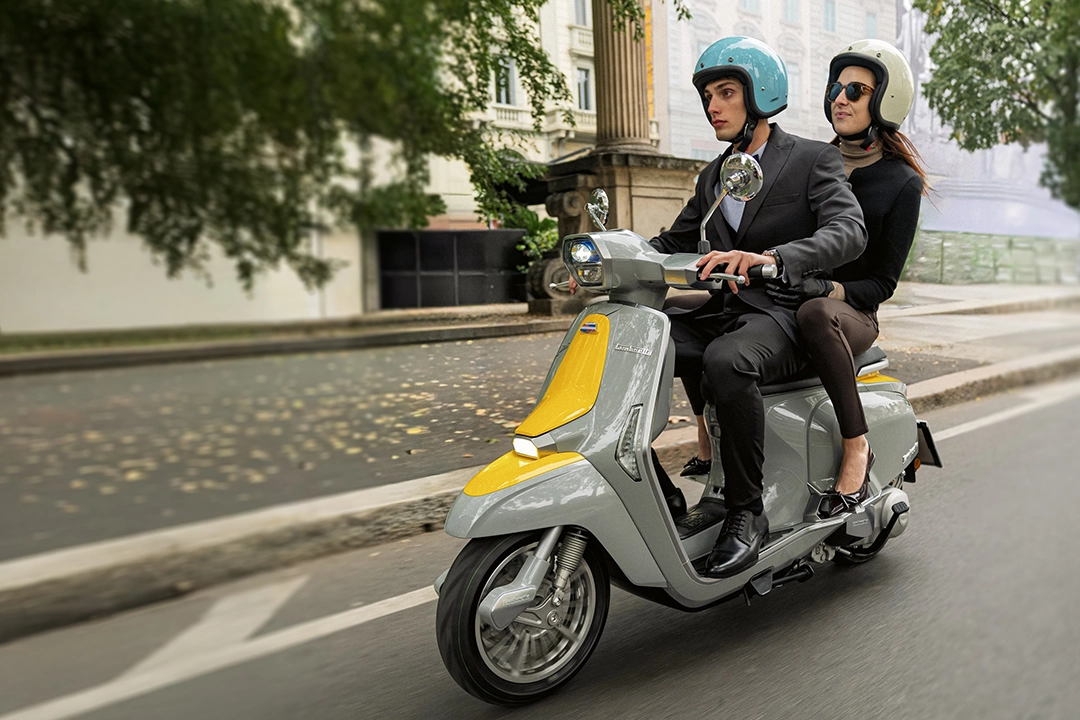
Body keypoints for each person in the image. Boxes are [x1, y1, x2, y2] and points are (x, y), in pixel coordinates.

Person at [647, 36, 866, 578]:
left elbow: (849, 231)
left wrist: (772, 257)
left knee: (727, 359)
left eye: (725, 92)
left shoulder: (813, 159)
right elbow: (674, 240)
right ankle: (656, 493)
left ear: (760, 95)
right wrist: (609, 253)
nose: (712, 106)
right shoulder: (714, 176)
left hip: (786, 314)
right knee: (647, 334)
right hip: (729, 308)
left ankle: (746, 514)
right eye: (707, 96)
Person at [765, 39, 926, 516]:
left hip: (850, 314)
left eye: (856, 90)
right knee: (681, 310)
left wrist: (826, 289)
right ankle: (705, 436)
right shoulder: (807, 160)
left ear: (884, 102)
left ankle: (857, 447)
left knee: (817, 313)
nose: (840, 97)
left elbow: (883, 283)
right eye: (837, 87)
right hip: (784, 297)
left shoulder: (901, 183)